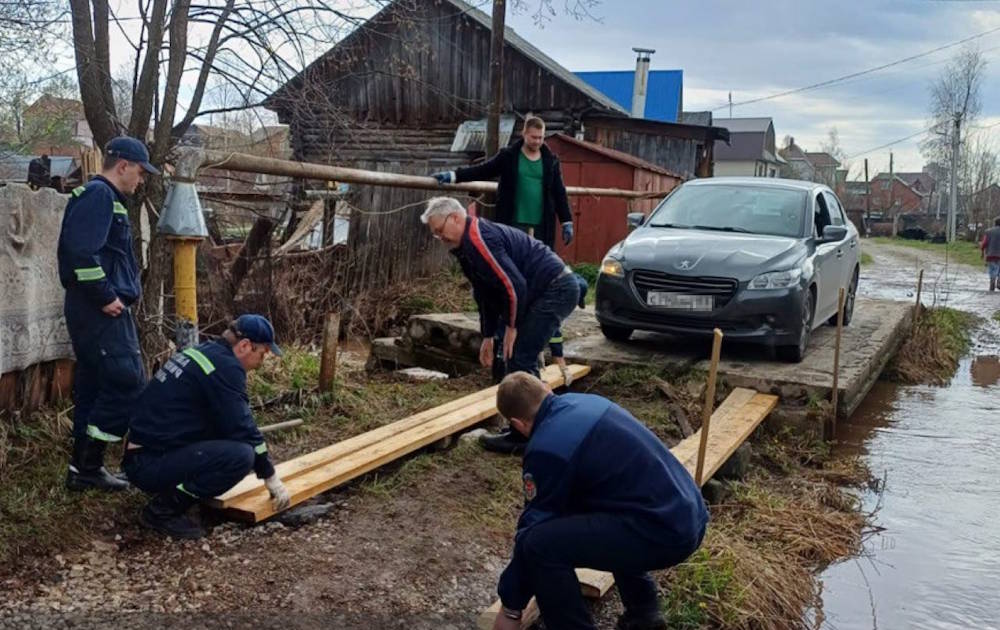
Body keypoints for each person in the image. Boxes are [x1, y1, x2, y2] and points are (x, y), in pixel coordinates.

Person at [491, 372, 709, 630]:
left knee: (540, 546)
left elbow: (534, 527)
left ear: (518, 424)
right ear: (548, 390)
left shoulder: (546, 448)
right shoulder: (588, 402)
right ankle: (644, 616)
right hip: (690, 515)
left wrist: (511, 606)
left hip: (663, 532)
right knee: (603, 507)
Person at [421, 197, 580, 453]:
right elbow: (484, 293)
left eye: (440, 230)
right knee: (515, 358)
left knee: (520, 357)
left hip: (555, 288)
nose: (440, 238)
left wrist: (512, 326)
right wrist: (487, 335)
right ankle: (529, 428)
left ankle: (529, 435)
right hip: (541, 291)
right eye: (435, 234)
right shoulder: (465, 247)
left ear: (455, 218)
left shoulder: (481, 240)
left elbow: (513, 285)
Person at [432, 116, 577, 382]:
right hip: (513, 223)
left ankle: (532, 355)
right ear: (524, 134)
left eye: (541, 138)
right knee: (504, 285)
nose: (537, 142)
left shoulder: (549, 160)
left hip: (540, 229)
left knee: (528, 291)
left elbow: (559, 191)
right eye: (534, 137)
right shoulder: (510, 156)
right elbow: (483, 170)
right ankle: (514, 356)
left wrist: (566, 219)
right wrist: (455, 175)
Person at [123, 315, 292, 539]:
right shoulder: (226, 368)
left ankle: (187, 492)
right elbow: (244, 428)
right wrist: (270, 477)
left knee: (231, 438)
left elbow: (230, 423)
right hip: (148, 463)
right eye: (262, 353)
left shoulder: (207, 352)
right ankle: (162, 511)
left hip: (141, 453)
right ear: (244, 346)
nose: (262, 361)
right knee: (241, 456)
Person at [57, 136, 159, 491]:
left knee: (95, 384)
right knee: (127, 380)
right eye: (141, 172)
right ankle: (90, 465)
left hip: (96, 309)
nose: (141, 179)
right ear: (123, 166)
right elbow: (81, 254)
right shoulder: (100, 196)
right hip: (99, 310)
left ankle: (82, 470)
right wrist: (105, 296)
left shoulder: (104, 198)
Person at [981, 217, 1000, 292]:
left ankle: (992, 281)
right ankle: (999, 281)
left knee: (992, 269)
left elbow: (984, 243)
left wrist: (982, 252)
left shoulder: (988, 232)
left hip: (991, 255)